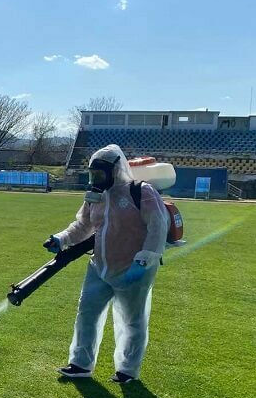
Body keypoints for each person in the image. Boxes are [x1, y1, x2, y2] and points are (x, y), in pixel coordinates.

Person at [44, 144, 170, 384]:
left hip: (133, 268)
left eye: (100, 174)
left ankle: (127, 370)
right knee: (86, 314)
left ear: (115, 170)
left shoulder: (141, 192)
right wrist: (61, 239)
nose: (96, 180)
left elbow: (158, 226)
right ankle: (80, 364)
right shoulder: (95, 196)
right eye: (93, 175)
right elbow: (83, 226)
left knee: (131, 321)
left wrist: (144, 259)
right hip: (99, 267)